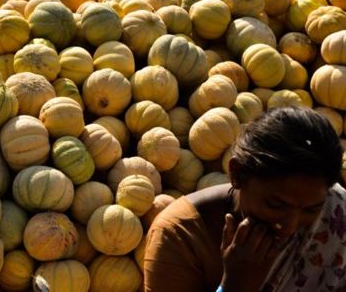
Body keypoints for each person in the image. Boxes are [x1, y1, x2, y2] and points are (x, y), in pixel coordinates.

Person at [143, 106, 346, 292]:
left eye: (310, 210)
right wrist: (234, 284)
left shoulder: (336, 211)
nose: (289, 227)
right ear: (237, 173)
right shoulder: (180, 237)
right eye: (276, 205)